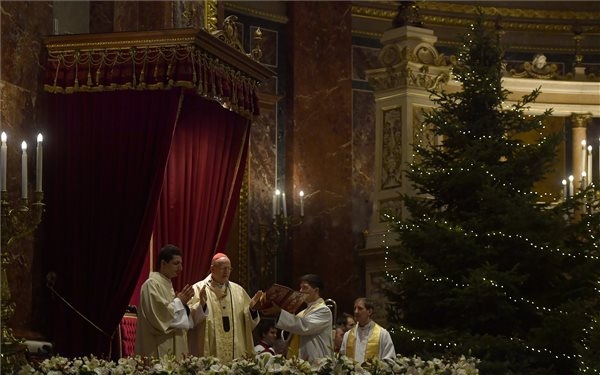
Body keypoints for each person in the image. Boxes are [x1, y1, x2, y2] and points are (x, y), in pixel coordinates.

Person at [187, 252, 262, 362]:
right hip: (210, 350)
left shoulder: (239, 291)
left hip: (235, 352)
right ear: (212, 269)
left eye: (229, 268)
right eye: (223, 268)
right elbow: (188, 321)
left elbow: (248, 323)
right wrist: (201, 306)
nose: (226, 271)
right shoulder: (198, 289)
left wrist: (252, 310)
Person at [135, 244, 196, 359]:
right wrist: (179, 301)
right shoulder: (151, 284)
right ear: (163, 263)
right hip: (157, 347)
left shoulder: (167, 284)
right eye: (176, 263)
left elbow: (177, 319)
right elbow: (159, 317)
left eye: (181, 264)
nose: (180, 268)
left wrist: (182, 303)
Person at [264, 274, 333, 363]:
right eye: (300, 288)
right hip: (301, 360)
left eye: (305, 288)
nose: (300, 291)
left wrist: (280, 312)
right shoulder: (303, 312)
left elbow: (304, 327)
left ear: (316, 290)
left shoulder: (324, 310)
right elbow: (291, 333)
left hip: (317, 361)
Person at [340, 297, 396, 363]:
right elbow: (342, 359)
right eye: (354, 308)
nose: (356, 311)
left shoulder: (382, 334)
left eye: (360, 308)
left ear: (369, 311)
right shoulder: (348, 335)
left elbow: (389, 360)